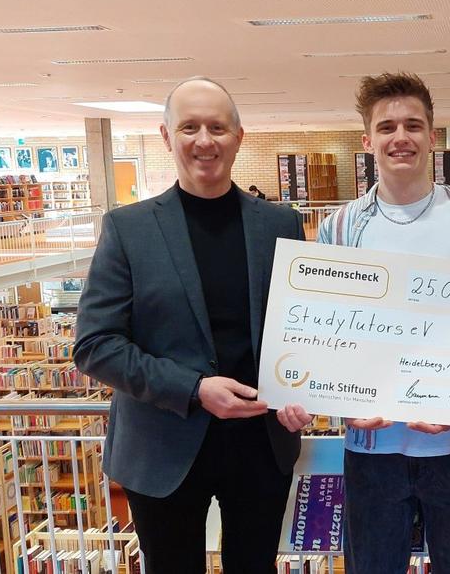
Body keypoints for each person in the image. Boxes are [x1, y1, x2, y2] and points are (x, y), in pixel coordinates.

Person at [74, 76, 310, 574]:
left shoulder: (281, 224)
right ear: (167, 136)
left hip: (261, 444)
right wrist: (195, 388)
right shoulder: (128, 229)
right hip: (162, 445)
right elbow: (95, 344)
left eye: (218, 128)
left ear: (239, 137)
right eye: (190, 127)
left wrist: (307, 388)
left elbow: (303, 328)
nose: (205, 140)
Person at [314, 72, 450, 574]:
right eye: (387, 127)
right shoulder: (339, 229)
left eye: (413, 125)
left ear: (432, 136)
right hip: (371, 448)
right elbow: (324, 335)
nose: (401, 137)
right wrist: (341, 403)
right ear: (367, 141)